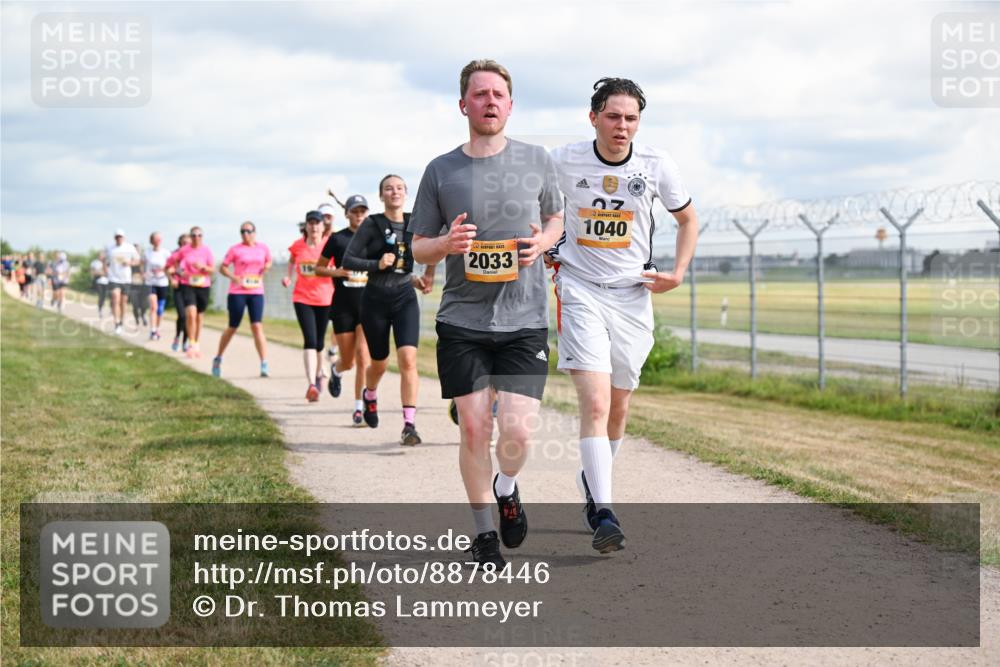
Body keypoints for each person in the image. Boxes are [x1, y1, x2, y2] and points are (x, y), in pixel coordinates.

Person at [410, 59, 564, 566]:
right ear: (463, 105)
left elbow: (557, 218)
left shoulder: (537, 160)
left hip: (524, 320)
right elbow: (419, 246)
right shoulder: (440, 170)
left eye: (498, 94)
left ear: (511, 105)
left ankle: (507, 487)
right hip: (463, 321)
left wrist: (542, 242)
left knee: (517, 432)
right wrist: (445, 244)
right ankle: (483, 535)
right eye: (480, 94)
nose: (489, 101)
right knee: (475, 428)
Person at [547, 77, 699, 552]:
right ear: (593, 117)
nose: (622, 126)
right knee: (594, 404)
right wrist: (547, 243)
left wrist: (678, 273)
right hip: (579, 288)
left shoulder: (656, 164)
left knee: (619, 405)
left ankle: (593, 480)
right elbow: (539, 210)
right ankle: (605, 513)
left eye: (631, 118)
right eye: (613, 116)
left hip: (633, 294)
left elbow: (687, 219)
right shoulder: (563, 161)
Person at [342, 180, 435, 445]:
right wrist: (377, 264)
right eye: (388, 188)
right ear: (381, 195)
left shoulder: (416, 223)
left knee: (408, 359)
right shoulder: (372, 224)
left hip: (404, 297)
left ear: (406, 193)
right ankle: (370, 394)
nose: (394, 192)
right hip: (375, 300)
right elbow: (348, 260)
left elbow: (435, 248)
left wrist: (426, 275)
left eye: (399, 188)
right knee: (379, 364)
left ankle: (409, 425)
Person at [316, 195, 372, 426]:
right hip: (343, 306)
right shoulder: (337, 239)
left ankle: (359, 407)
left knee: (363, 356)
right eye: (354, 211)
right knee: (348, 361)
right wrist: (337, 272)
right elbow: (319, 268)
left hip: (368, 305)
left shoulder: (374, 238)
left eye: (362, 211)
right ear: (347, 213)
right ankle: (337, 370)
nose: (358, 215)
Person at [283, 211, 334, 401]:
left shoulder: (329, 244)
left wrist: (331, 271)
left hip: (325, 298)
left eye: (317, 223)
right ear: (306, 226)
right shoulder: (298, 245)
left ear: (323, 226)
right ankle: (311, 384)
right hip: (302, 298)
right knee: (310, 340)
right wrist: (288, 276)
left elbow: (338, 266)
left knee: (319, 342)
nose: (313, 226)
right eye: (310, 223)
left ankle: (320, 374)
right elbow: (291, 261)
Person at [212, 221, 272, 378]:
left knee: (257, 326)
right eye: (242, 231)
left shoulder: (263, 248)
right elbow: (223, 267)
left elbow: (269, 261)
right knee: (233, 326)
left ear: (254, 232)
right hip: (237, 292)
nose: (245, 234)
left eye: (248, 231)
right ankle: (218, 358)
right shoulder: (235, 249)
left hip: (256, 291)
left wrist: (266, 267)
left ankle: (264, 363)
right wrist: (234, 277)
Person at [176, 226, 214, 358]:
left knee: (199, 316)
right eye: (193, 235)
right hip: (188, 285)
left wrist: (203, 267)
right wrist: (181, 273)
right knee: (191, 314)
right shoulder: (184, 250)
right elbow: (176, 266)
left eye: (199, 235)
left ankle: (197, 343)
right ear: (190, 236)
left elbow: (212, 269)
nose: (196, 237)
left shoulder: (207, 250)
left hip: (203, 285)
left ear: (202, 237)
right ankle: (191, 343)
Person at [104, 229, 140, 335]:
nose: (119, 238)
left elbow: (137, 260)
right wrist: (106, 272)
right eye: (117, 237)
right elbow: (106, 262)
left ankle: (121, 322)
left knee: (123, 302)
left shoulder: (129, 247)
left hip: (126, 279)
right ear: (114, 238)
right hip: (114, 278)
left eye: (120, 237)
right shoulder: (110, 248)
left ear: (123, 238)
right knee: (116, 299)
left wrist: (129, 263)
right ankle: (117, 324)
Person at [166, 234, 191, 352]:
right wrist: (172, 279)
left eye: (188, 243)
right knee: (182, 315)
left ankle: (185, 341)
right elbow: (167, 268)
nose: (185, 245)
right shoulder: (175, 254)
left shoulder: (193, 254)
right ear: (179, 243)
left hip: (191, 287)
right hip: (179, 287)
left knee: (189, 316)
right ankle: (177, 337)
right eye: (183, 243)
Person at [144, 233, 171, 340]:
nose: (158, 241)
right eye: (155, 239)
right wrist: (142, 273)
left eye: (159, 239)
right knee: (153, 307)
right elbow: (142, 264)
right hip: (150, 283)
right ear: (151, 241)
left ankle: (157, 328)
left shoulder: (166, 253)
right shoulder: (147, 253)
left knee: (160, 309)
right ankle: (153, 330)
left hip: (162, 283)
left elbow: (171, 266)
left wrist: (166, 270)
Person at [130, 243, 149, 327]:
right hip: (133, 284)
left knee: (145, 303)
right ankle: (136, 318)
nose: (136, 251)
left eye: (138, 249)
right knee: (135, 304)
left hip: (144, 284)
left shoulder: (145, 259)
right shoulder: (129, 260)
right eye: (135, 249)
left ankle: (143, 314)